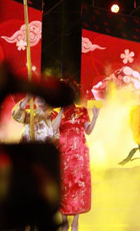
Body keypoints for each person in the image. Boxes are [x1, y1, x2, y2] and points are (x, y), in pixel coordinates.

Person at [52, 81, 100, 231]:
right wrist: (61, 109)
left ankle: (76, 221)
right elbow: (53, 129)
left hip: (80, 154)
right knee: (64, 186)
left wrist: (95, 117)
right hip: (63, 153)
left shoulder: (82, 110)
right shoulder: (55, 111)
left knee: (79, 185)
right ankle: (64, 220)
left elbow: (88, 131)